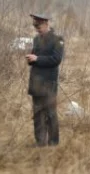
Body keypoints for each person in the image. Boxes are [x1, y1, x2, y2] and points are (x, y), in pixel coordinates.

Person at [26, 13, 64, 147]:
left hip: (48, 83)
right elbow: (35, 56)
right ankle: (40, 142)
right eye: (35, 26)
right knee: (37, 114)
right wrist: (31, 59)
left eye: (39, 26)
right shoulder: (36, 39)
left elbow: (56, 59)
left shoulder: (57, 40)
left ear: (47, 24)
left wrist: (37, 59)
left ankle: (53, 143)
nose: (37, 29)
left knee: (51, 114)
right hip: (36, 83)